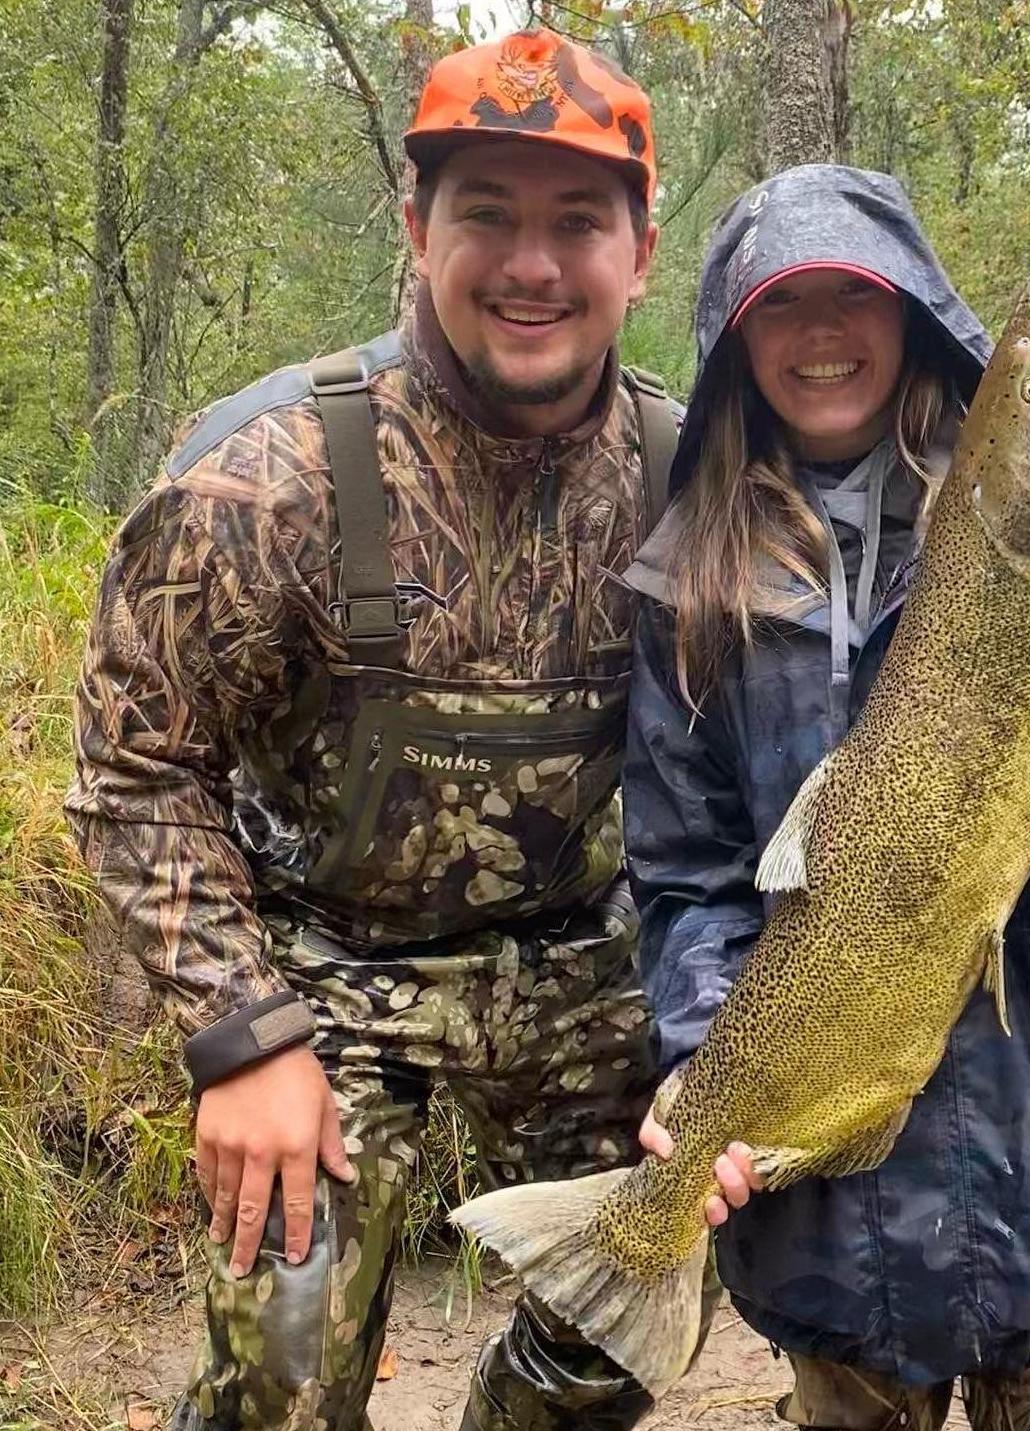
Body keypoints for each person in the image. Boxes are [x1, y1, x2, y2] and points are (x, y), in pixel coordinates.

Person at [65, 28, 708, 1431]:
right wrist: (243, 1036)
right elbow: (134, 770)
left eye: (576, 222)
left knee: (635, 1317)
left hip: (584, 965)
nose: (531, 265)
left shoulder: (693, 477)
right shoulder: (265, 477)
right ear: (417, 228)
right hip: (324, 968)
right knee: (281, 1372)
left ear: (641, 253)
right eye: (486, 214)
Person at [624, 164, 1030, 1430]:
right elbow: (686, 870)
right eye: (779, 302)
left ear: (913, 308)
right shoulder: (686, 582)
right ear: (733, 338)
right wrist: (706, 1053)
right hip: (835, 1212)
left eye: (854, 296)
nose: (819, 333)